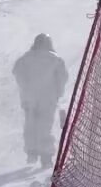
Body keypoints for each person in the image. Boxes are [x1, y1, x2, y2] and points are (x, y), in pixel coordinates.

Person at [12, 35, 69, 167]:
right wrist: (58, 92)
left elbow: (17, 73)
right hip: (48, 98)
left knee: (30, 124)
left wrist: (26, 88)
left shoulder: (24, 59)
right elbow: (62, 77)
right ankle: (46, 155)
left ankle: (31, 153)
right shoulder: (56, 60)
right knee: (45, 125)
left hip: (29, 98)